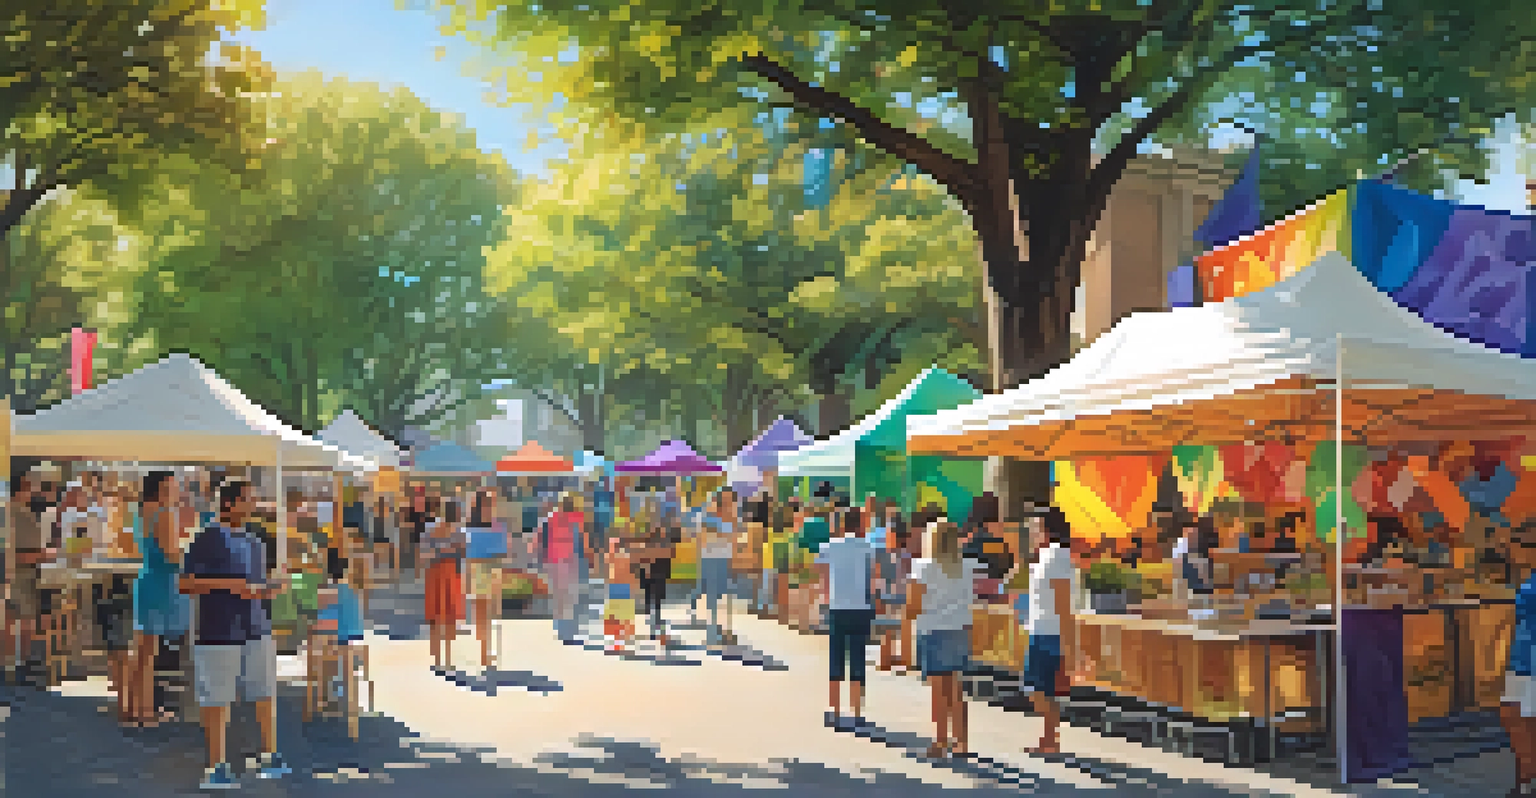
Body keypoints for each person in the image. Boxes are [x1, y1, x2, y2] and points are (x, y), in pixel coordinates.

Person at [180, 480, 291, 789]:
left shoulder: (256, 542)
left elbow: (256, 585)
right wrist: (228, 585)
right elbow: (185, 584)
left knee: (265, 691)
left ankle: (270, 754)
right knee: (217, 697)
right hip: (217, 628)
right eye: (247, 499)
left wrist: (274, 586)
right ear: (228, 504)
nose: (253, 504)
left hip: (255, 626)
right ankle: (216, 765)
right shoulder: (205, 540)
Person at [908, 520, 981, 758]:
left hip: (933, 629)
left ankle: (940, 742)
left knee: (938, 691)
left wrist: (907, 622)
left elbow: (914, 605)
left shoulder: (923, 567)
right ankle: (962, 742)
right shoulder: (966, 566)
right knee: (956, 688)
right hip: (960, 627)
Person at [129, 471, 194, 726]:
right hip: (163, 583)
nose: (176, 491)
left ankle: (138, 708)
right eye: (172, 486)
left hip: (148, 579)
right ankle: (146, 710)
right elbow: (171, 554)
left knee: (144, 650)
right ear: (161, 488)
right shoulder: (164, 513)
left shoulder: (141, 512)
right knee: (150, 651)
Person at [1023, 507, 1078, 755]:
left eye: (1035, 527)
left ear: (1046, 530)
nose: (1031, 532)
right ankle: (1049, 739)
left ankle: (1050, 738)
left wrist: (1069, 646)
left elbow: (1064, 604)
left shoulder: (1057, 557)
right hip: (1041, 629)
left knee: (1037, 689)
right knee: (1041, 689)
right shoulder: (1045, 556)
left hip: (1050, 632)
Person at [816, 505, 876, 728]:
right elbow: (873, 576)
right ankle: (857, 710)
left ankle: (834, 708)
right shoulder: (868, 547)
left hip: (837, 605)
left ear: (841, 524)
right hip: (861, 606)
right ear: (860, 524)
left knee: (836, 656)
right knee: (858, 655)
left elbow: (823, 575)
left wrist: (825, 598)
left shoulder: (828, 547)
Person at [1504, 522, 1536, 797]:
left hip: (1529, 662)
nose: (1515, 548)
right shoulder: (1529, 578)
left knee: (1518, 719)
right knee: (1517, 719)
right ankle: (1524, 783)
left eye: (1523, 543)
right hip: (1522, 659)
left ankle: (1526, 783)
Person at [423, 498, 466, 672]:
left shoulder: (431, 530)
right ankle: (445, 659)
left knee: (439, 617)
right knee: (447, 617)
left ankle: (439, 659)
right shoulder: (458, 532)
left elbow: (424, 555)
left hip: (437, 573)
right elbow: (462, 553)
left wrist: (439, 550)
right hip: (449, 573)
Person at [465, 489, 505, 669]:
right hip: (477, 572)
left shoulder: (497, 526)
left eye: (491, 504)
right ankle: (484, 651)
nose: (490, 507)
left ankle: (487, 649)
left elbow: (503, 551)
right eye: (487, 504)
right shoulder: (468, 528)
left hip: (493, 571)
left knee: (491, 614)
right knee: (481, 615)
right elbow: (466, 555)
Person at [542, 493, 587, 642]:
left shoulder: (552, 517)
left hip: (556, 560)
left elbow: (543, 537)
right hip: (568, 560)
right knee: (569, 596)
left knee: (560, 596)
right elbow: (582, 537)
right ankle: (567, 629)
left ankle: (562, 628)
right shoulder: (575, 517)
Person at [602, 527, 639, 652]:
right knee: (622, 614)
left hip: (618, 587)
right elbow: (630, 573)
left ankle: (620, 639)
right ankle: (624, 636)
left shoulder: (617, 557)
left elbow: (628, 573)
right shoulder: (624, 557)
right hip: (620, 587)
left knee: (618, 615)